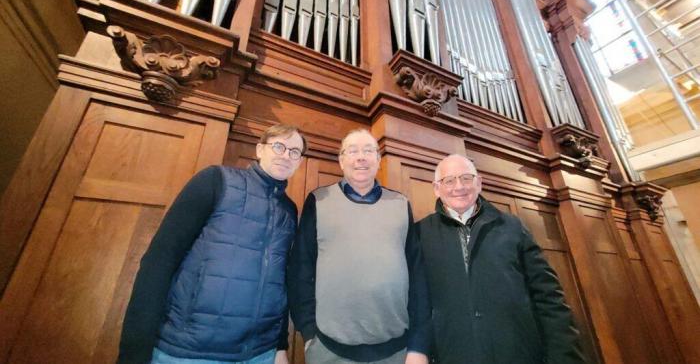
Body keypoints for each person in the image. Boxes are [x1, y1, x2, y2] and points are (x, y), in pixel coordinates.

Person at [118, 124, 307, 364]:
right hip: (189, 352)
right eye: (279, 146)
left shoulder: (289, 210)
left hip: (260, 353)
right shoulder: (216, 180)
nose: (286, 155)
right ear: (260, 149)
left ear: (299, 162)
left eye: (294, 152)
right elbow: (160, 259)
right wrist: (134, 352)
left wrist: (280, 346)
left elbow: (278, 281)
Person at [418, 154, 586, 364]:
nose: (459, 186)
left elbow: (549, 297)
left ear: (479, 183)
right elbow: (417, 305)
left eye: (466, 178)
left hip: (518, 354)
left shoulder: (512, 227)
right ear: (436, 188)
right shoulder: (421, 234)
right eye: (449, 180)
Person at [287, 129, 430, 364]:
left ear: (378, 160)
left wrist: (418, 345)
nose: (360, 157)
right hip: (328, 351)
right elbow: (300, 270)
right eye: (352, 151)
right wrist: (309, 332)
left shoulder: (400, 204)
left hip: (397, 352)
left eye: (368, 151)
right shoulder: (319, 201)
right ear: (341, 161)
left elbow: (417, 276)